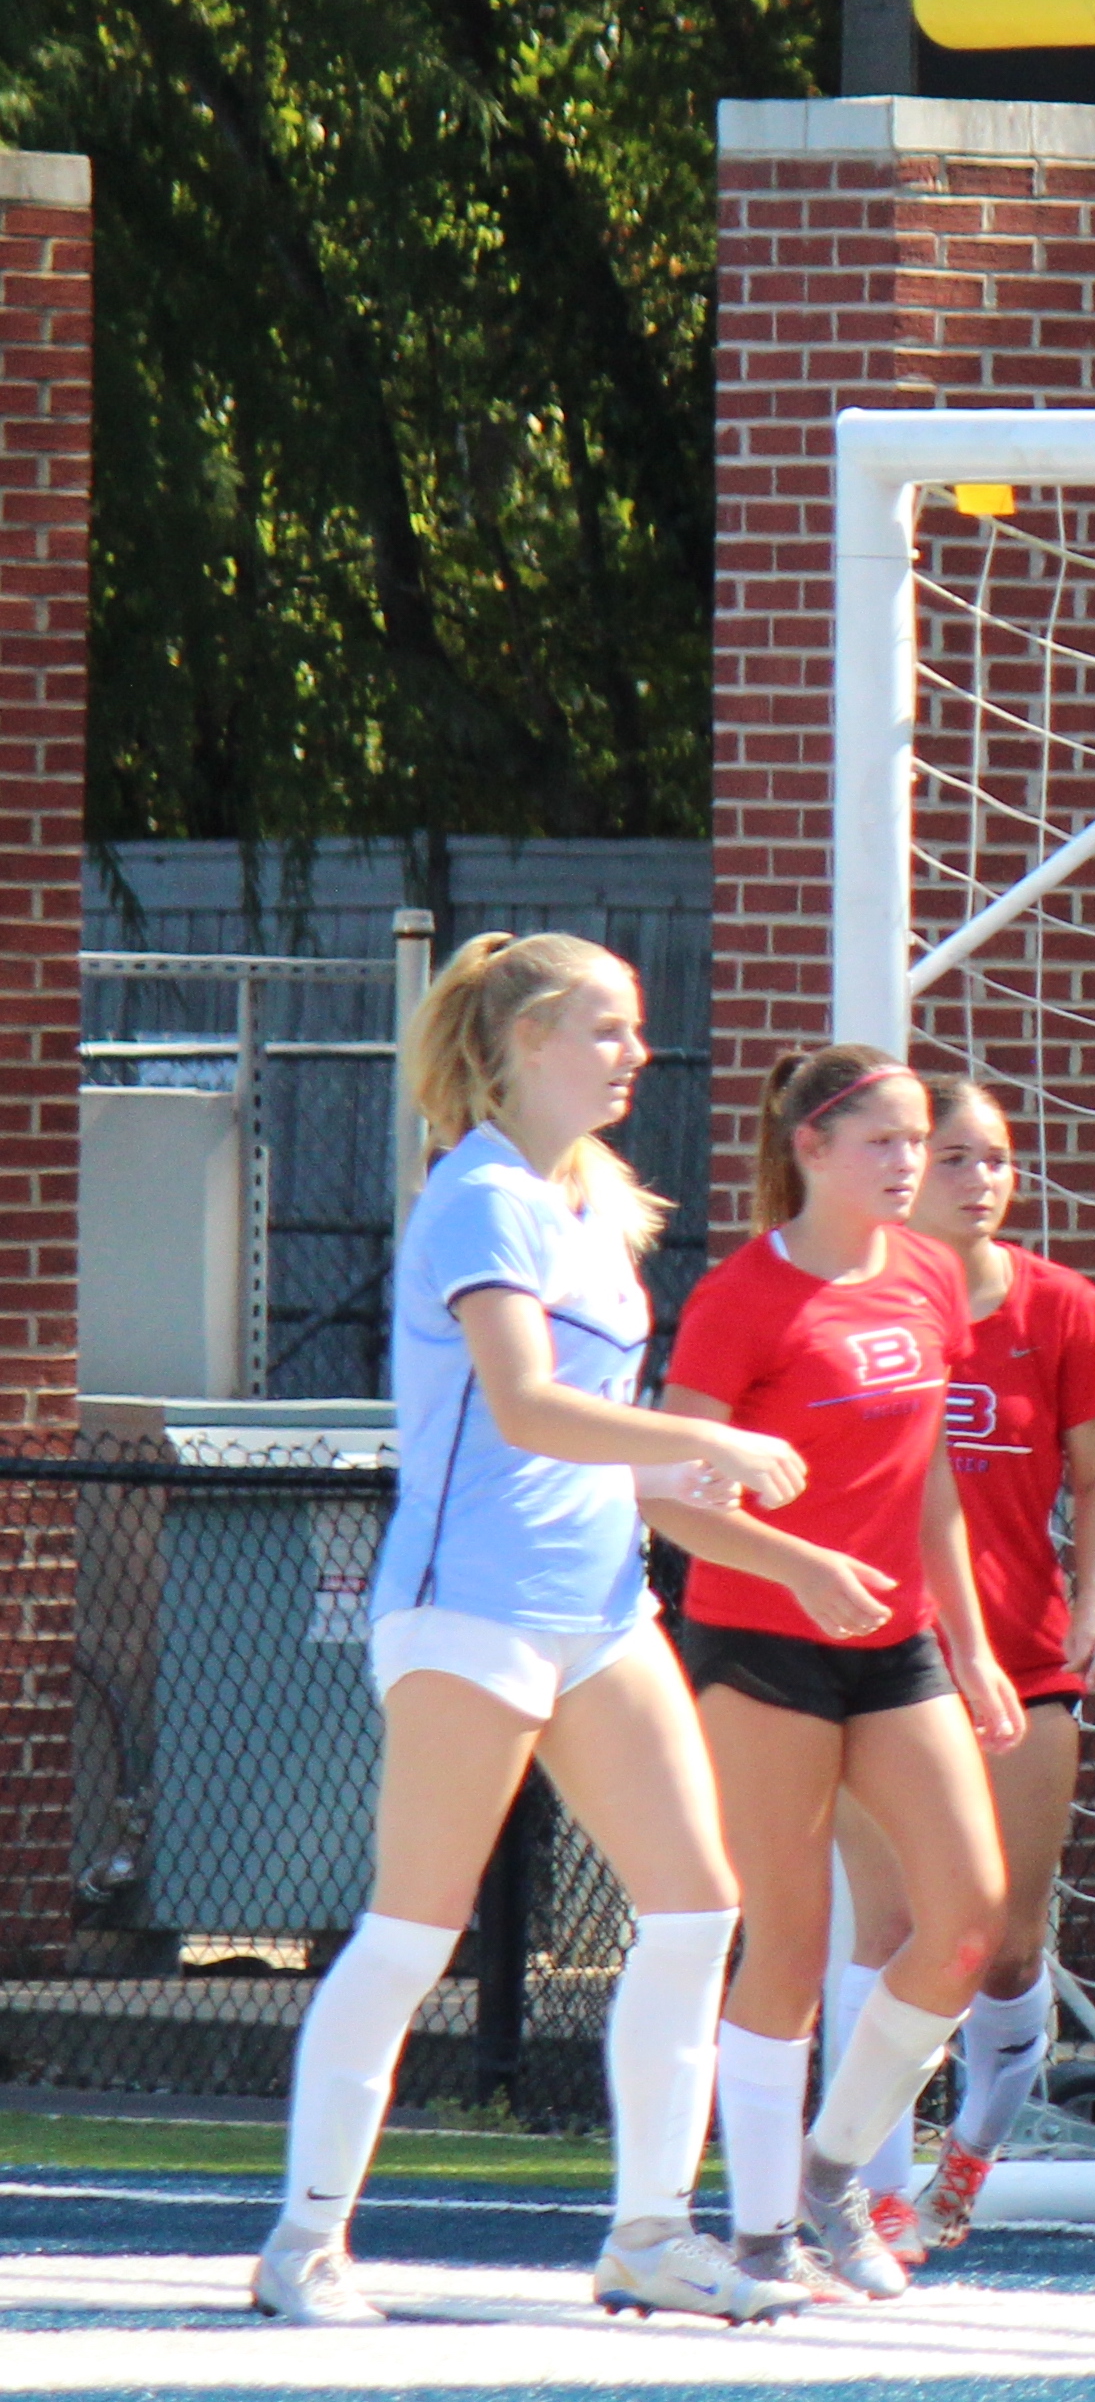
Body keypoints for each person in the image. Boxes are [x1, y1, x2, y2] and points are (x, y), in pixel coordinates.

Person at [252, 936, 810, 2328]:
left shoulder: (589, 1208)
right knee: (409, 1935)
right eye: (607, 1030)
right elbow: (529, 1412)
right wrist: (718, 1441)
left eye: (637, 1028)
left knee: (695, 1909)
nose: (636, 1052)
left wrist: (765, 1537)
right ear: (524, 1045)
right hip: (469, 1612)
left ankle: (647, 2236)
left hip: (600, 1607)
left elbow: (604, 1461)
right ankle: (304, 2245)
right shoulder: (477, 1195)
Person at [650, 1046, 1027, 2304]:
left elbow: (927, 1479)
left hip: (894, 1640)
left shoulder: (927, 1277)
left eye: (921, 1139)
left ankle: (832, 2169)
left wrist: (970, 1646)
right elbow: (670, 1498)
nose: (911, 1163)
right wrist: (797, 1563)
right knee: (792, 1943)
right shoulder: (742, 1297)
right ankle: (760, 2236)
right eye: (884, 1141)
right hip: (761, 1640)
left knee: (968, 1919)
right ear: (811, 1148)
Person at [825, 1078, 1095, 2261]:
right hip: (887, 1657)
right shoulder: (857, 1303)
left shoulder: (1060, 1309)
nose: (977, 1179)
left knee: (1001, 1938)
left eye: (994, 1159)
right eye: (953, 1156)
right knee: (894, 1928)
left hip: (1021, 1654)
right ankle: (867, 2197)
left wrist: (1092, 1614)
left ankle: (975, 2149)